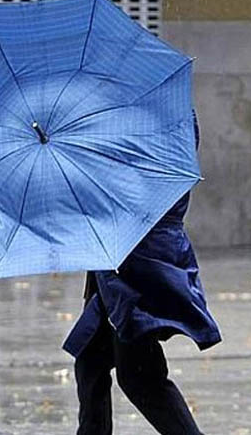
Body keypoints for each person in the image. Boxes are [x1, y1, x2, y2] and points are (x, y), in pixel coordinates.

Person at [63, 111, 221, 435]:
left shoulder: (158, 117)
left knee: (139, 378)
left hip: (137, 261)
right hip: (117, 258)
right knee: (90, 360)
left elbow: (143, 185)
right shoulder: (125, 112)